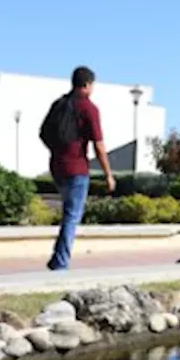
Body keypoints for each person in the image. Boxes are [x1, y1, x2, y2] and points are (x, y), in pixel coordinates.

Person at [42, 66, 113, 271]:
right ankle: (60, 261)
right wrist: (108, 174)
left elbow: (43, 133)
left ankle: (58, 257)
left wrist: (58, 151)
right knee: (72, 216)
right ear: (88, 85)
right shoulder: (89, 108)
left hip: (57, 166)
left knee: (68, 213)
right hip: (77, 168)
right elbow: (98, 145)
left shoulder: (59, 104)